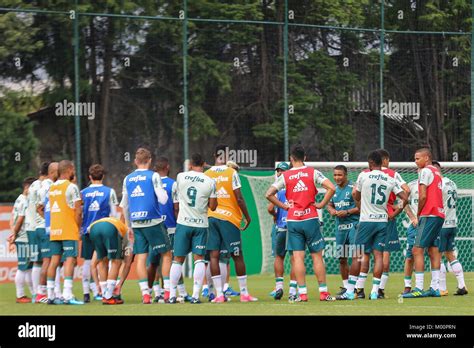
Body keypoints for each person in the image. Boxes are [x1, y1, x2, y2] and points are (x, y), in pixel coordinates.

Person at [266, 145, 336, 302]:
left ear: (291, 159)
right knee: (317, 256)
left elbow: (268, 194)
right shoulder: (312, 172)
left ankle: (302, 294)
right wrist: (321, 204)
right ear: (305, 158)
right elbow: (331, 188)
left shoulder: (285, 175)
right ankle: (323, 293)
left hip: (293, 220)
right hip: (310, 218)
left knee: (297, 257)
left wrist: (284, 206)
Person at [337, 150, 407, 301]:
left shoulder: (364, 175)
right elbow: (405, 197)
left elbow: (355, 194)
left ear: (370, 163)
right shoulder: (390, 178)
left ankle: (350, 291)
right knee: (379, 256)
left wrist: (362, 204)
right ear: (382, 163)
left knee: (358, 255)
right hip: (382, 221)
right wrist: (395, 212)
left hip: (366, 220)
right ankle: (375, 291)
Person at [205, 144, 256, 303]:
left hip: (211, 217)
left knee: (213, 256)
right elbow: (239, 198)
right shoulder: (231, 172)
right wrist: (247, 217)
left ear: (214, 155)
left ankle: (219, 295)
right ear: (227, 156)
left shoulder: (207, 174)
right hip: (229, 219)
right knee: (237, 255)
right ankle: (244, 293)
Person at [120, 147, 171, 304]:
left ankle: (146, 294)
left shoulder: (127, 179)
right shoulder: (153, 175)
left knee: (141, 257)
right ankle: (168, 291)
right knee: (166, 254)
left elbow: (124, 205)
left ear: (135, 161)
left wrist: (129, 226)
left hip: (136, 223)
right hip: (153, 221)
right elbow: (163, 199)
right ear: (149, 160)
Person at [169, 153, 217, 304]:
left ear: (190, 164)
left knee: (177, 260)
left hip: (183, 223)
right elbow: (213, 207)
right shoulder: (210, 181)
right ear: (203, 163)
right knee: (199, 259)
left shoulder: (180, 177)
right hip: (200, 224)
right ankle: (196, 296)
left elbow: (177, 198)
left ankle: (171, 295)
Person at [403, 148, 445, 298]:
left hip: (429, 214)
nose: (416, 162)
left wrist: (419, 213)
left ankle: (418, 288)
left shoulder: (425, 171)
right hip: (439, 214)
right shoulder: (437, 173)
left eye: (417, 158)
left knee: (417, 250)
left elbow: (422, 196)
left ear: (427, 158)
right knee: (433, 250)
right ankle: (435, 287)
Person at [46, 160, 83, 305]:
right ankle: (67, 294)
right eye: (73, 168)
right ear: (68, 170)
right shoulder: (72, 187)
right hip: (68, 229)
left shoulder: (52, 187)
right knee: (70, 260)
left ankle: (51, 295)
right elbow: (78, 211)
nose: (74, 171)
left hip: (55, 230)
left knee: (54, 261)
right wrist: (78, 228)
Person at [80, 164, 119, 302]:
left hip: (87, 230)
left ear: (90, 177)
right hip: (104, 230)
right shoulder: (109, 191)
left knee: (87, 261)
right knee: (105, 260)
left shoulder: (83, 193)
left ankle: (86, 293)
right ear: (103, 176)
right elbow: (114, 214)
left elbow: (79, 213)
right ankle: (105, 291)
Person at [377, 149, 410, 299]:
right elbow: (407, 190)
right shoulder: (392, 174)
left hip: (367, 217)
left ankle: (357, 288)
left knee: (363, 252)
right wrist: (397, 208)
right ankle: (380, 288)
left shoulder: (364, 173)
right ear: (385, 160)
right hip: (387, 216)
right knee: (385, 252)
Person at [432, 161, 468, 296]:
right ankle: (462, 285)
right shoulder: (452, 183)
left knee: (437, 255)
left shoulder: (438, 185)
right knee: (450, 254)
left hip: (442, 224)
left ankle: (442, 288)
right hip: (452, 223)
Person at [326, 165, 360, 296]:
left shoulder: (353, 188)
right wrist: (332, 210)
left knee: (357, 256)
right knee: (342, 258)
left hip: (354, 225)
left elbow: (362, 206)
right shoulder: (333, 190)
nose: (337, 178)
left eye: (339, 175)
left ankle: (356, 287)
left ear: (346, 175)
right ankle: (346, 287)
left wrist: (347, 211)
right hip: (340, 228)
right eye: (335, 175)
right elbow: (329, 204)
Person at [267, 162, 297, 301]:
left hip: (281, 227)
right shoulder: (296, 188)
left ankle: (279, 287)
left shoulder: (277, 190)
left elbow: (270, 209)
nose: (279, 173)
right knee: (294, 258)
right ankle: (292, 290)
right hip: (294, 226)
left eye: (282, 171)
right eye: (278, 171)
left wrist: (275, 216)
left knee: (279, 257)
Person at [88, 217, 128, 305]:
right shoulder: (126, 232)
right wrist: (119, 284)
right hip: (109, 228)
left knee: (102, 260)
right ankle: (109, 296)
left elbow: (93, 264)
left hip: (93, 228)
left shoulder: (117, 224)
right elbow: (126, 261)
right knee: (116, 261)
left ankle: (104, 294)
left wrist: (97, 284)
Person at [24, 162, 49, 302]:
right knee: (47, 260)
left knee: (36, 262)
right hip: (41, 226)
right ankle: (43, 293)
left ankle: (35, 294)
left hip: (30, 227)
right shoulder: (46, 185)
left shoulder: (32, 185)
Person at [9, 177, 37, 303]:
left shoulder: (18, 199)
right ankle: (20, 295)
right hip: (24, 237)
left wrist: (13, 233)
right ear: (27, 188)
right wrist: (15, 235)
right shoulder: (25, 201)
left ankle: (34, 293)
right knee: (23, 266)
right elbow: (19, 219)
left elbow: (11, 218)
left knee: (28, 267)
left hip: (23, 236)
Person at [402, 178, 419, 294]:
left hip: (430, 224)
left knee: (435, 254)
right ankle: (407, 286)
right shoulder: (411, 185)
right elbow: (403, 203)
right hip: (415, 226)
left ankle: (437, 286)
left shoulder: (435, 186)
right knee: (410, 256)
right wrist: (413, 218)